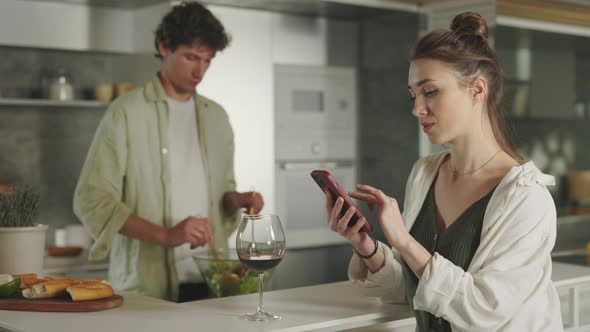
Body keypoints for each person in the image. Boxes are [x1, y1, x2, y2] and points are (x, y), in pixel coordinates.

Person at [325, 12, 562, 332]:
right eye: (413, 95)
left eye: (430, 91)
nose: (416, 108)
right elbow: (415, 289)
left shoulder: (526, 197)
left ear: (477, 89)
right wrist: (366, 246)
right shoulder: (425, 174)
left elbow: (485, 311)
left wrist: (405, 241)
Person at [73, 1, 263, 302]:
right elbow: (91, 199)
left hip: (212, 279)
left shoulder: (217, 117)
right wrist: (167, 236)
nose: (199, 70)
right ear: (163, 46)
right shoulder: (126, 112)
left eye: (207, 60)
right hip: (147, 288)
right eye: (191, 57)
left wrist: (237, 199)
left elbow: (222, 192)